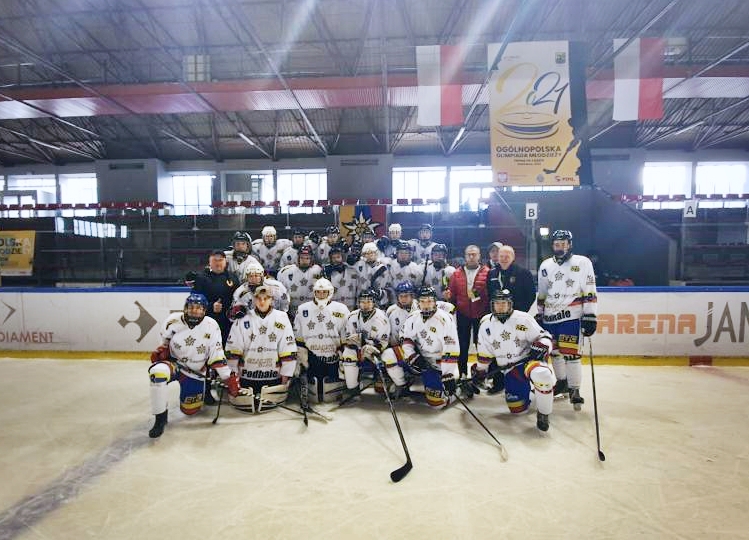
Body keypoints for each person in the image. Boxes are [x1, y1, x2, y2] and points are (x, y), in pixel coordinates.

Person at [147, 293, 241, 438]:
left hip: (195, 372)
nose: (195, 311)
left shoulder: (211, 326)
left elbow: (217, 355)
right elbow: (163, 345)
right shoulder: (172, 321)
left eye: (199, 308)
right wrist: (161, 352)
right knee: (157, 373)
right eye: (191, 307)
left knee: (190, 411)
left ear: (204, 310)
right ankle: (160, 419)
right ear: (185, 308)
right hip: (175, 365)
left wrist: (228, 378)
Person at [475, 289, 555, 431]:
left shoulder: (523, 319)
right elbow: (484, 352)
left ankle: (544, 413)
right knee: (517, 409)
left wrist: (542, 346)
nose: (500, 307)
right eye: (497, 304)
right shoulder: (486, 324)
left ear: (510, 304)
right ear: (492, 305)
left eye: (504, 303)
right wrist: (480, 371)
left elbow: (545, 336)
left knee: (542, 375)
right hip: (510, 370)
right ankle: (535, 394)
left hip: (528, 361)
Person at [536, 230, 598, 410]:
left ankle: (574, 389)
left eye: (563, 244)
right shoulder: (546, 265)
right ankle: (562, 383)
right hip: (550, 317)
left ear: (570, 244)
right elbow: (542, 292)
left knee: (571, 354)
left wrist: (590, 315)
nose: (560, 247)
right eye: (557, 244)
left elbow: (589, 289)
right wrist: (540, 313)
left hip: (571, 316)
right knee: (555, 353)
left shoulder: (582, 262)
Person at [380, 286, 460, 408]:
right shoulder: (413, 317)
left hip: (435, 364)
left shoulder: (445, 319)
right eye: (422, 301)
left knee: (436, 404)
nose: (426, 305)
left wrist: (447, 375)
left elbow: (451, 349)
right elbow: (406, 338)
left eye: (429, 301)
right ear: (418, 302)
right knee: (388, 355)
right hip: (419, 358)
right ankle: (402, 386)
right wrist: (412, 356)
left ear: (435, 301)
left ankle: (460, 389)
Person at [225, 285, 297, 413]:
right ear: (254, 299)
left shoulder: (282, 317)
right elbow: (233, 349)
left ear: (271, 300)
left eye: (266, 298)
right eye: (259, 298)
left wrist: (285, 376)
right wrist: (232, 375)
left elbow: (288, 348)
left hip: (273, 378)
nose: (262, 302)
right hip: (246, 378)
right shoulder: (243, 318)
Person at [293, 278, 350, 402]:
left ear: (330, 292)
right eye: (318, 292)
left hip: (333, 356)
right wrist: (301, 356)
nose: (321, 294)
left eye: (324, 292)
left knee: (330, 387)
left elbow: (345, 334)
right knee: (315, 386)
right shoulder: (303, 309)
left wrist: (343, 353)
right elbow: (298, 336)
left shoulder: (342, 309)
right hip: (312, 356)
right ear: (314, 292)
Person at [446, 245, 490, 378]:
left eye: (474, 254)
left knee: (482, 346)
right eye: (469, 254)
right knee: (462, 345)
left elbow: (490, 294)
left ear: (479, 256)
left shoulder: (487, 272)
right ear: (465, 256)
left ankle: (481, 374)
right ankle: (463, 374)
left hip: (481, 315)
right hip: (463, 314)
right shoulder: (456, 273)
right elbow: (452, 295)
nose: (471, 257)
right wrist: (451, 301)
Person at [340, 289, 391, 400]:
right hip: (359, 350)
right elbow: (349, 340)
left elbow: (384, 341)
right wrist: (360, 343)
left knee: (389, 357)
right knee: (348, 354)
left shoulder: (382, 318)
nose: (365, 305)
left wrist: (374, 348)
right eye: (363, 302)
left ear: (374, 303)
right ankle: (353, 389)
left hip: (377, 352)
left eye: (369, 302)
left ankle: (386, 380)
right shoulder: (352, 316)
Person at [186, 249, 239, 345]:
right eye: (215, 260)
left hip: (228, 324)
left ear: (225, 262)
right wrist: (211, 306)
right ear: (209, 262)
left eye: (220, 260)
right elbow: (193, 302)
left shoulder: (233, 278)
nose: (218, 263)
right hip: (207, 322)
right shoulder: (201, 278)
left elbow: (239, 299)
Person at [277, 245, 322, 320]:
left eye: (307, 258)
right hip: (291, 313)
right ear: (298, 258)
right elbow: (280, 292)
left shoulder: (318, 271)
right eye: (302, 258)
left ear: (311, 258)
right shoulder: (285, 271)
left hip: (313, 312)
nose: (304, 260)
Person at [322, 245, 359, 309]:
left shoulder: (351, 270)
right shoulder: (327, 271)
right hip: (333, 307)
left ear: (342, 257)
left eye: (338, 257)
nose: (336, 260)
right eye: (333, 258)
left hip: (350, 307)